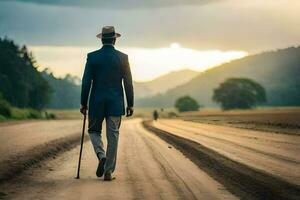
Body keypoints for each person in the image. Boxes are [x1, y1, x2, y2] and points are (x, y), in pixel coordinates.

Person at [80, 26, 134, 181]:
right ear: (115, 39)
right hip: (115, 103)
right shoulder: (123, 58)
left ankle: (101, 155)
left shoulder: (92, 57)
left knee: (93, 131)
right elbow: (128, 83)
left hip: (96, 102)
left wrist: (83, 103)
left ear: (101, 39)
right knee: (113, 136)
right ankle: (108, 171)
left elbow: (86, 83)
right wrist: (130, 104)